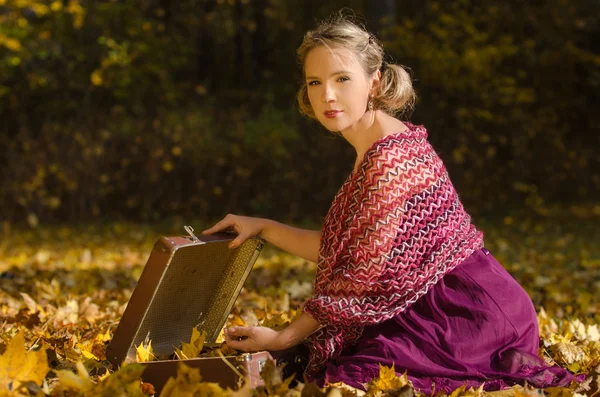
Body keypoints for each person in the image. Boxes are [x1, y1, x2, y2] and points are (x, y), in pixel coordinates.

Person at [202, 12, 578, 395]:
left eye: (342, 79)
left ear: (375, 81)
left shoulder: (388, 162)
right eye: (315, 82)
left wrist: (283, 338)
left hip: (470, 315)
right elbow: (345, 251)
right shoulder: (375, 142)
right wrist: (263, 227)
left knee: (347, 380)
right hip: (439, 304)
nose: (327, 95)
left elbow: (356, 278)